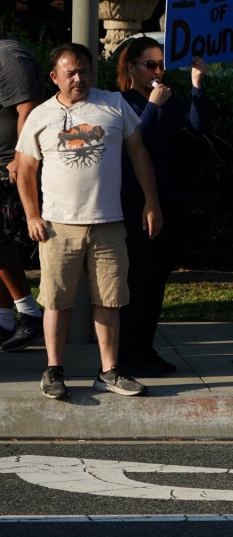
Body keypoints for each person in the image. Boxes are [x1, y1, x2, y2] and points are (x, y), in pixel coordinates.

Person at [15, 43, 162, 399]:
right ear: (55, 77)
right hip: (57, 226)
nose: (78, 78)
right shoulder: (40, 115)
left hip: (108, 221)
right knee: (56, 301)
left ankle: (109, 371)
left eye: (83, 71)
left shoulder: (114, 104)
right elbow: (25, 170)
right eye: (70, 73)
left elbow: (139, 153)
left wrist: (151, 202)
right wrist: (32, 215)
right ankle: (53, 370)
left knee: (109, 300)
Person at [115, 37, 209, 377]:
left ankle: (144, 347)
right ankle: (127, 352)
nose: (158, 71)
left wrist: (197, 87)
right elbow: (137, 144)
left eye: (161, 65)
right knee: (139, 277)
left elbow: (198, 127)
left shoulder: (170, 97)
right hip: (138, 198)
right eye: (150, 65)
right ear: (130, 68)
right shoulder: (123, 102)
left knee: (157, 279)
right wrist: (153, 106)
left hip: (172, 195)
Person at [0, 19, 45, 352]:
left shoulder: (9, 56)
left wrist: (20, 157)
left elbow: (28, 109)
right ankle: (4, 319)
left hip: (8, 167)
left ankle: (29, 313)